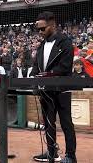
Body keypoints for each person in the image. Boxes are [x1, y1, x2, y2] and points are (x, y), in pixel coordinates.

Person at [30, 11, 76, 163]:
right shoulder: (42, 45)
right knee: (49, 123)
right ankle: (52, 152)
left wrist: (46, 75)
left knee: (66, 123)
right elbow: (36, 65)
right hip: (46, 90)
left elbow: (64, 67)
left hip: (62, 89)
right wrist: (35, 78)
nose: (40, 32)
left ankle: (70, 155)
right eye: (38, 29)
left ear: (52, 25)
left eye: (43, 29)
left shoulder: (65, 42)